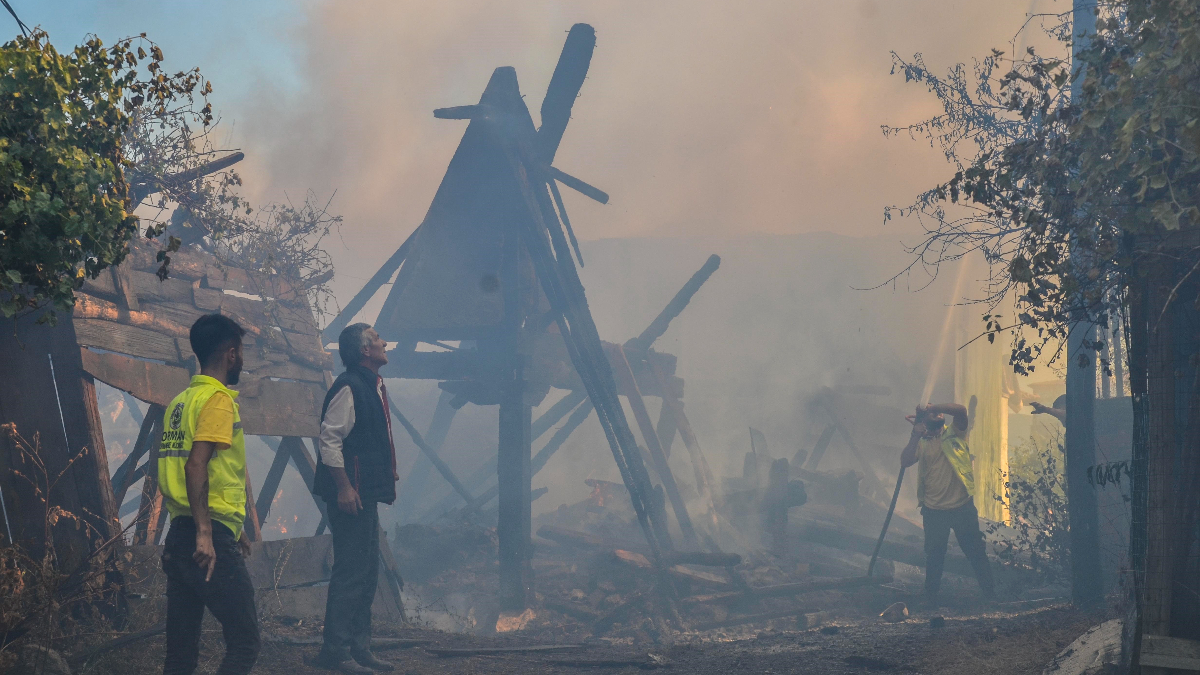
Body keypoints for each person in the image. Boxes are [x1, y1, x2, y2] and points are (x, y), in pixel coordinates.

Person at [158, 314, 260, 675]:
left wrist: (234, 523)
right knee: (246, 642)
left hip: (180, 537)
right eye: (242, 351)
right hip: (205, 544)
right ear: (231, 354)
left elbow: (206, 473)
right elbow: (196, 466)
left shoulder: (182, 401)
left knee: (181, 655)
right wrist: (208, 532)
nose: (242, 359)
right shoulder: (217, 400)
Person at [311, 323, 400, 673]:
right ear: (365, 350)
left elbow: (367, 438)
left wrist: (385, 469)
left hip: (365, 491)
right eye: (379, 339)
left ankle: (360, 647)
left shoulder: (371, 386)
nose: (384, 341)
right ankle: (336, 653)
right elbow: (329, 440)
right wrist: (344, 487)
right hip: (351, 495)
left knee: (367, 569)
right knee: (351, 570)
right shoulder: (350, 387)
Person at [900, 403, 995, 604]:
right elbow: (905, 461)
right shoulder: (922, 442)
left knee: (976, 553)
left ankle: (992, 596)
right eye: (932, 413)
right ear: (924, 421)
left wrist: (932, 405)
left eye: (939, 412)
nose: (937, 413)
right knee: (934, 556)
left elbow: (960, 411)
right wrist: (915, 435)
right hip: (934, 511)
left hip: (962, 507)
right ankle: (931, 599)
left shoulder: (956, 434)